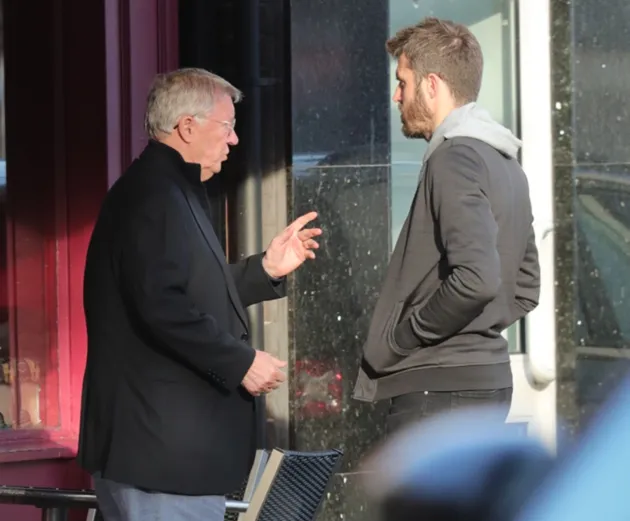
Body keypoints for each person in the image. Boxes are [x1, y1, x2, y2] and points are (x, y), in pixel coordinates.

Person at [78, 68, 322, 521]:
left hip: (163, 455)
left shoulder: (166, 187)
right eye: (227, 126)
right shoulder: (154, 193)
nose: (233, 141)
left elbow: (181, 289)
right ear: (187, 127)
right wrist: (241, 362)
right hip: (162, 459)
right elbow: (162, 305)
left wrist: (264, 268)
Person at [353, 18, 540, 434]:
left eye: (403, 82)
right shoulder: (505, 162)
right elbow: (525, 288)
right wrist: (476, 333)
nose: (396, 95)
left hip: (436, 389)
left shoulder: (453, 159)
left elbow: (477, 279)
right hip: (482, 381)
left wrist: (405, 338)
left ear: (432, 85)